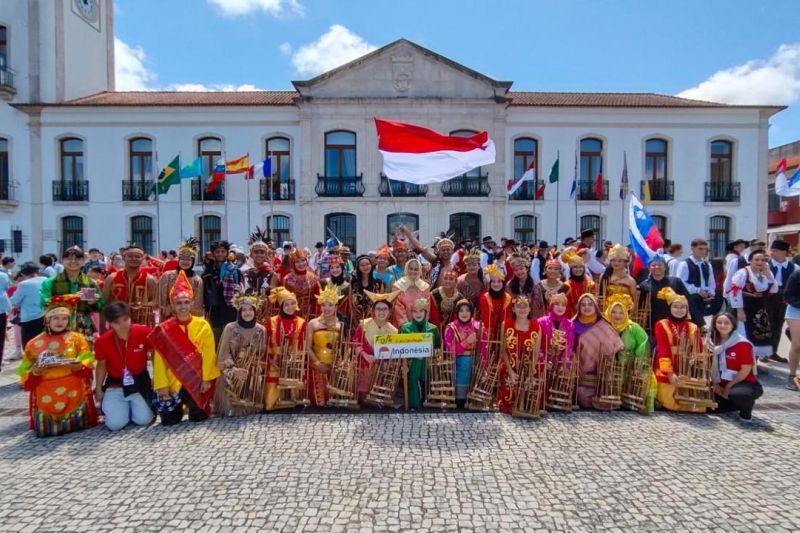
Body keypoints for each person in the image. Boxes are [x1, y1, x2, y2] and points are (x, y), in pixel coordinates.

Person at [16, 294, 97, 437]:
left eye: (64, 318)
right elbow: (23, 370)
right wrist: (35, 372)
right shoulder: (33, 343)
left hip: (73, 387)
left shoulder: (77, 338)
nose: (60, 322)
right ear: (47, 319)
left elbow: (87, 358)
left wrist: (81, 365)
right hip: (46, 389)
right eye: (56, 318)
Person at [151, 271, 220, 426]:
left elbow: (209, 354)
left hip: (195, 380)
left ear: (192, 303)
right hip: (172, 380)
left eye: (186, 302)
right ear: (172, 305)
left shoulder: (202, 325)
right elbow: (159, 359)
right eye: (179, 303)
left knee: (198, 416)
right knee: (170, 421)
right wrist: (162, 385)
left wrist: (206, 379)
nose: (183, 306)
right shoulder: (164, 329)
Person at [93, 302, 155, 431]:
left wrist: (157, 379)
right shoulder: (102, 341)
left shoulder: (144, 332)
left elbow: (155, 355)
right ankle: (118, 407)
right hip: (116, 384)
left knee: (144, 420)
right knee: (115, 425)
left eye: (125, 319)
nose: (123, 325)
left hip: (140, 382)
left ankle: (131, 408)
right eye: (117, 322)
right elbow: (101, 365)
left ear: (130, 317)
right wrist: (98, 388)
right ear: (110, 323)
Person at [653, 287, 706, 412]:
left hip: (687, 367)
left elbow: (699, 350)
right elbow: (664, 351)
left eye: (682, 307)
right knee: (671, 403)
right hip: (666, 366)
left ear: (687, 309)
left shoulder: (693, 327)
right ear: (669, 308)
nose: (679, 310)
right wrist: (670, 374)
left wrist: (696, 362)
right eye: (675, 307)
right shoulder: (662, 324)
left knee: (696, 405)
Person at [214, 291, 268, 416]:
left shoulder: (261, 330)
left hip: (251, 374)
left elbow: (262, 354)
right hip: (231, 373)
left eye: (250, 309)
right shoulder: (230, 328)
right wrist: (234, 370)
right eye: (244, 310)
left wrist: (251, 365)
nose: (247, 313)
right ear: (239, 312)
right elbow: (223, 354)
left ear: (255, 311)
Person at [603, 294, 656, 413]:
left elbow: (644, 343)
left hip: (631, 368)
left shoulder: (634, 328)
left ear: (626, 313)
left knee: (645, 377)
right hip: (610, 368)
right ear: (609, 311)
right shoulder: (604, 327)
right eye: (614, 312)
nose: (617, 316)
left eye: (621, 313)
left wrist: (637, 362)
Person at [572, 293, 624, 409]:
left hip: (601, 371)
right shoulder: (572, 325)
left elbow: (613, 346)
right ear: (579, 308)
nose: (587, 307)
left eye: (590, 304)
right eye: (583, 305)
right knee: (583, 400)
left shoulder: (604, 325)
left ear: (595, 306)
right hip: (579, 370)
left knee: (602, 396)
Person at [707, 312, 763, 421]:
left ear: (733, 325)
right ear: (714, 324)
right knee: (706, 405)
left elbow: (745, 370)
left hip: (742, 382)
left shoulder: (742, 343)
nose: (722, 325)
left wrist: (728, 387)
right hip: (719, 383)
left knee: (739, 395)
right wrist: (715, 384)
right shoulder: (710, 342)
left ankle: (745, 409)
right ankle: (731, 405)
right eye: (719, 322)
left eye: (726, 323)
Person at [727, 248, 777, 367]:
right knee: (744, 334)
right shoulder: (743, 273)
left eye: (763, 260)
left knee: (758, 336)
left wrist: (769, 274)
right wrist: (739, 310)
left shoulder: (764, 273)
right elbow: (734, 292)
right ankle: (742, 364)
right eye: (757, 259)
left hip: (759, 309)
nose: (760, 262)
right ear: (750, 261)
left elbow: (774, 289)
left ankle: (753, 364)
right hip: (745, 307)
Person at [41, 246, 104, 339]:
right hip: (57, 325)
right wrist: (72, 298)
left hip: (84, 326)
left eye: (77, 258)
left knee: (85, 353)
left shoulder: (91, 282)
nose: (73, 261)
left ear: (83, 261)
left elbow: (101, 306)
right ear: (62, 261)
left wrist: (94, 302)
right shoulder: (50, 282)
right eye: (69, 258)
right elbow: (44, 303)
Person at [264, 288, 307, 410]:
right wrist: (271, 360)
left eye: (293, 303)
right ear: (281, 306)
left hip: (293, 361)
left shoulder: (301, 322)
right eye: (286, 304)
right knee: (270, 397)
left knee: (293, 379)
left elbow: (302, 345)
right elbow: (266, 342)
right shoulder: (272, 321)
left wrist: (294, 360)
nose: (290, 307)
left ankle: (292, 401)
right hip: (274, 360)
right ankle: (273, 402)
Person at [497, 296, 542, 414]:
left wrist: (531, 373)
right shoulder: (506, 324)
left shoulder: (536, 326)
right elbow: (503, 350)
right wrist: (511, 372)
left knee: (528, 399)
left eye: (525, 306)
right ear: (513, 309)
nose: (522, 309)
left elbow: (536, 352)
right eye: (519, 306)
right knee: (508, 398)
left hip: (529, 367)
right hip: (509, 367)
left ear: (529, 309)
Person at [353, 290, 399, 402]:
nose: (381, 312)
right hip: (363, 365)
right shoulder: (364, 324)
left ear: (389, 311)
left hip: (382, 369)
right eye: (378, 309)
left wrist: (385, 363)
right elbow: (355, 343)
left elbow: (393, 353)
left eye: (384, 309)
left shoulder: (393, 331)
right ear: (373, 310)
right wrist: (365, 356)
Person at [305, 283, 344, 407]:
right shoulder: (313, 323)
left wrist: (339, 364)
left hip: (334, 367)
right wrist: (317, 364)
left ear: (336, 307)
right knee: (318, 403)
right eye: (323, 305)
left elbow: (344, 347)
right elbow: (307, 346)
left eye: (330, 305)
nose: (326, 308)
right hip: (316, 367)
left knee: (334, 402)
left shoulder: (341, 325)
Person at [444, 299, 487, 407]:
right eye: (461, 311)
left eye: (467, 310)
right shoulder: (451, 328)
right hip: (457, 364)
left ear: (472, 312)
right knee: (460, 401)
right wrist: (466, 342)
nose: (464, 313)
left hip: (475, 364)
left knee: (474, 396)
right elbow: (449, 350)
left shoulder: (479, 326)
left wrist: (484, 367)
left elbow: (484, 348)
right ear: (457, 312)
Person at [399, 297, 441, 409]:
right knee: (412, 382)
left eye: (421, 311)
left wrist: (435, 354)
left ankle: (426, 402)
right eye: (415, 311)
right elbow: (400, 348)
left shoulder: (433, 329)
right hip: (411, 363)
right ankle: (413, 404)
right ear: (411, 313)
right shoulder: (405, 329)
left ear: (426, 312)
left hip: (427, 362)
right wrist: (403, 365)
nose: (418, 314)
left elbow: (437, 346)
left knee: (426, 381)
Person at [103, 244, 157, 327]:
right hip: (117, 323)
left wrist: (141, 305)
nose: (134, 259)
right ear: (124, 258)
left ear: (142, 259)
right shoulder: (111, 278)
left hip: (141, 325)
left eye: (137, 256)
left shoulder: (150, 280)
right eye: (130, 256)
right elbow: (104, 302)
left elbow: (156, 302)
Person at [636, 256, 689, 335]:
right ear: (649, 268)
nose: (657, 267)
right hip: (652, 325)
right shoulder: (644, 285)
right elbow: (640, 307)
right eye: (653, 265)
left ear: (665, 267)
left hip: (675, 322)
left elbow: (688, 301)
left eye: (660, 265)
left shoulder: (676, 281)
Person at [158, 237, 204, 320]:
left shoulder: (197, 280)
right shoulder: (167, 276)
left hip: (189, 319)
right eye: (182, 259)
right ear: (178, 260)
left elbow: (197, 305)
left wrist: (183, 312)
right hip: (169, 319)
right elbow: (161, 301)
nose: (185, 262)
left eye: (188, 259)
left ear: (193, 262)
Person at [202, 240, 238, 342]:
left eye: (223, 251)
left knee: (230, 336)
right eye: (217, 252)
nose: (220, 254)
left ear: (227, 253)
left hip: (230, 308)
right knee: (215, 337)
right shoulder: (208, 271)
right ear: (213, 254)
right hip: (214, 309)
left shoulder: (233, 269)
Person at [767, 239, 795, 363]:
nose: (772, 253)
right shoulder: (766, 264)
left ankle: (773, 351)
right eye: (771, 250)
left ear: (784, 252)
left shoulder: (793, 267)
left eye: (775, 250)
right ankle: (763, 352)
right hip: (767, 298)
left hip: (783, 299)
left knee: (777, 325)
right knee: (765, 324)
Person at [676, 238, 715, 328]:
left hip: (703, 299)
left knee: (700, 321)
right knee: (692, 323)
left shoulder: (707, 265)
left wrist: (710, 292)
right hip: (690, 298)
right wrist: (697, 290)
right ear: (693, 249)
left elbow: (711, 282)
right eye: (700, 249)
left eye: (705, 249)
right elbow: (680, 282)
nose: (703, 251)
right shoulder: (684, 264)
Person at [10, 262, 47, 348]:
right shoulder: (46, 279)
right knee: (43, 344)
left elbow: (14, 301)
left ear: (23, 273)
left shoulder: (24, 284)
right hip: (45, 315)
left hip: (30, 318)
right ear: (38, 271)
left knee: (29, 346)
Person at [393, 258, 437, 328]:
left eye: (416, 269)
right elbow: (398, 308)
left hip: (421, 325)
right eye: (411, 269)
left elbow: (427, 308)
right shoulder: (398, 286)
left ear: (419, 271)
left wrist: (422, 324)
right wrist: (407, 326)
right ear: (406, 269)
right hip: (403, 326)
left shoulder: (424, 287)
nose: (413, 271)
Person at [283, 248, 321, 320]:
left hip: (311, 314)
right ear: (293, 264)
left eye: (303, 260)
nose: (301, 264)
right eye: (297, 262)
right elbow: (283, 300)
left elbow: (319, 297)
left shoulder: (313, 277)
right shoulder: (287, 279)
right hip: (293, 312)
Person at [505, 253, 546, 319]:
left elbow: (538, 307)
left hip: (531, 317)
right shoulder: (509, 285)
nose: (519, 272)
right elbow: (508, 304)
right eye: (516, 270)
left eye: (521, 269)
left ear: (527, 269)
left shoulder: (535, 286)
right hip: (514, 317)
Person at [597, 244, 637, 311]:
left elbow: (635, 301)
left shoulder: (631, 281)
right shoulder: (604, 277)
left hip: (624, 316)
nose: (616, 263)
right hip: (607, 313)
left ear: (625, 262)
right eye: (614, 260)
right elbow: (599, 297)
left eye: (620, 261)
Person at [479, 264, 512, 342]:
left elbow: (506, 318)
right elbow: (486, 320)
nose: (496, 284)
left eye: (499, 281)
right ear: (490, 284)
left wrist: (502, 336)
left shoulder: (508, 298)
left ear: (503, 283)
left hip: (502, 332)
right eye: (493, 282)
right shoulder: (485, 298)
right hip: (487, 333)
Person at [349, 254, 382, 329]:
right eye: (362, 265)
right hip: (356, 321)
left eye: (367, 264)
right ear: (358, 267)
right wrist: (355, 322)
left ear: (371, 265)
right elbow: (350, 304)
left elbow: (380, 304)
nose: (365, 267)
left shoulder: (378, 283)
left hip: (374, 321)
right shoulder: (353, 283)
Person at [562, 250, 596, 318]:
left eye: (580, 267)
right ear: (571, 270)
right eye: (575, 267)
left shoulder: (590, 284)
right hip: (571, 318)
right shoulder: (566, 285)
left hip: (588, 317)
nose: (578, 269)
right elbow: (564, 306)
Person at [783, 268, 800, 390]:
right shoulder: (797, 273)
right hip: (796, 311)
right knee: (797, 344)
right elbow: (788, 294)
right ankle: (792, 375)